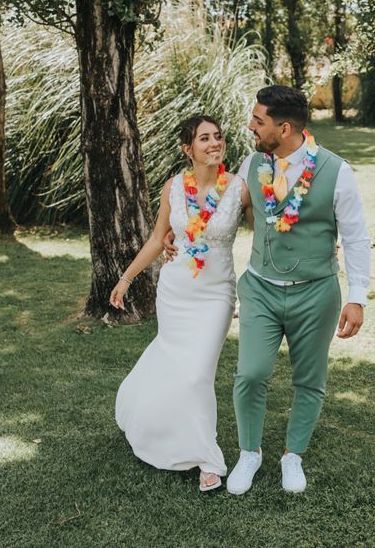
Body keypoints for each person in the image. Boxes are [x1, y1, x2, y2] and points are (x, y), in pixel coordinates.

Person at [166, 85, 371, 494]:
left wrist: (358, 296)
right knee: (250, 374)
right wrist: (182, 234)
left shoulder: (336, 171)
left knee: (309, 379)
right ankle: (249, 453)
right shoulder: (251, 164)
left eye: (259, 121)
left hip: (316, 291)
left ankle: (292, 456)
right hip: (260, 288)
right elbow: (219, 206)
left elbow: (356, 237)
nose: (250, 126)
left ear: (285, 127)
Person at [112, 115, 251, 492]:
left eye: (218, 137)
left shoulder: (239, 188)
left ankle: (207, 459)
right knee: (176, 363)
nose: (213, 144)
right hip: (175, 291)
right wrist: (126, 278)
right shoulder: (173, 187)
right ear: (187, 148)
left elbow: (268, 231)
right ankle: (172, 435)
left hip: (217, 294)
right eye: (204, 138)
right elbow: (159, 239)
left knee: (197, 374)